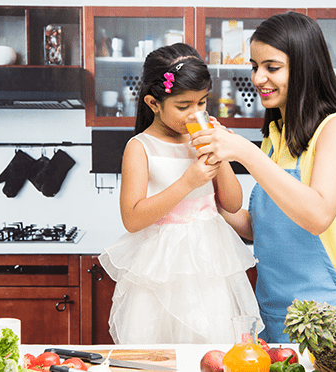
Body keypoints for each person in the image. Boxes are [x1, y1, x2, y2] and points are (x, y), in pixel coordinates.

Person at [191, 12, 336, 342]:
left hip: (329, 321)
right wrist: (209, 196)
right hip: (274, 317)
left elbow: (317, 216)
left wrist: (243, 152)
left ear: (304, 68)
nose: (257, 77)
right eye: (254, 66)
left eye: (271, 67)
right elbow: (265, 227)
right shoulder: (274, 136)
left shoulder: (335, 129)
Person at [98, 43, 261, 344]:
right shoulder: (141, 147)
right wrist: (187, 182)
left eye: (202, 102)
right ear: (153, 103)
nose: (195, 113)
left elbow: (233, 203)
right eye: (183, 106)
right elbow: (132, 219)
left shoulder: (204, 137)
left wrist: (220, 153)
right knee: (158, 349)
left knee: (212, 343)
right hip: (161, 267)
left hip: (209, 262)